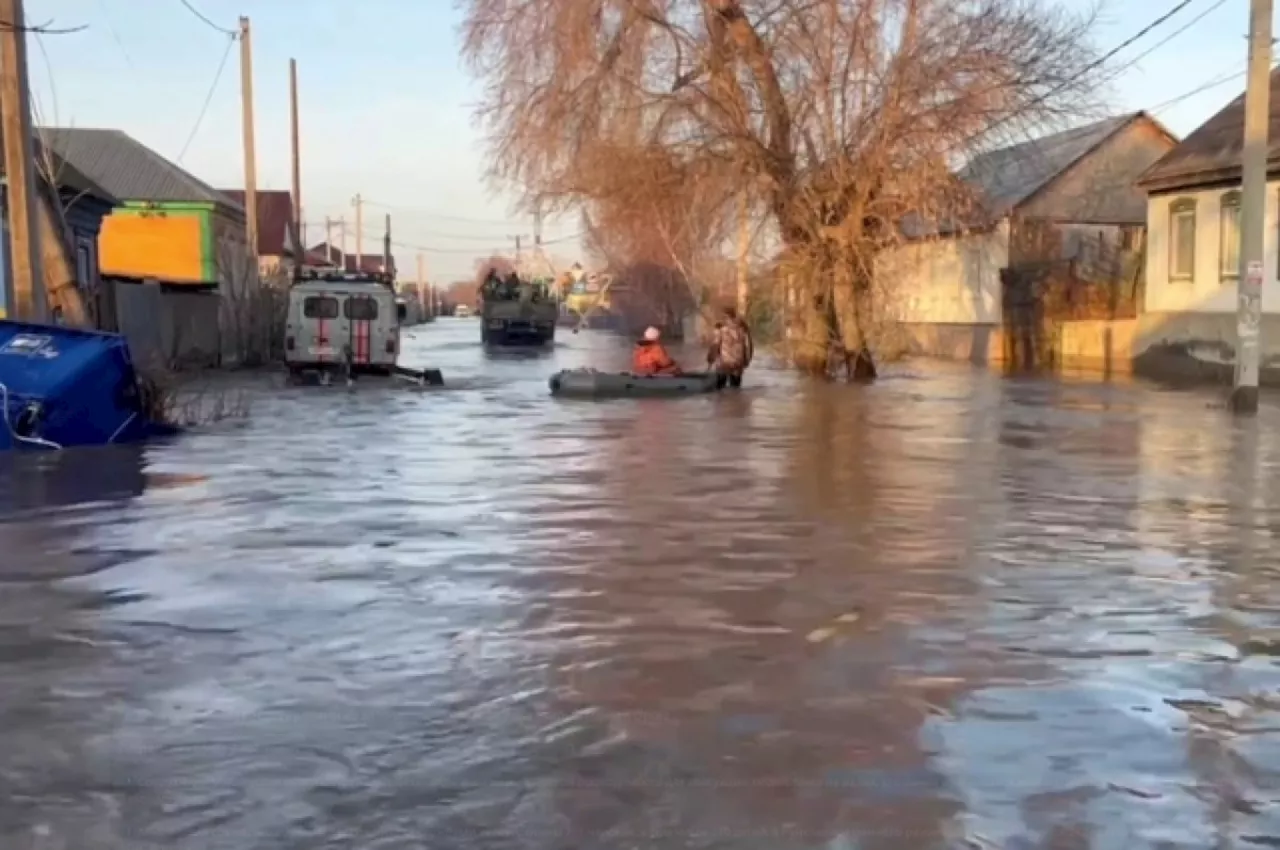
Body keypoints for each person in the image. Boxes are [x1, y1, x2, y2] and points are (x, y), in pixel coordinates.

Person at [706, 306, 753, 388]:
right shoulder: (743, 329)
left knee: (720, 390)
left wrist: (710, 358)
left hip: (723, 363)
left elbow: (715, 345)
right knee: (735, 389)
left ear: (725, 317)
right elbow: (749, 345)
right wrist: (747, 360)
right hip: (738, 363)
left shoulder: (721, 329)